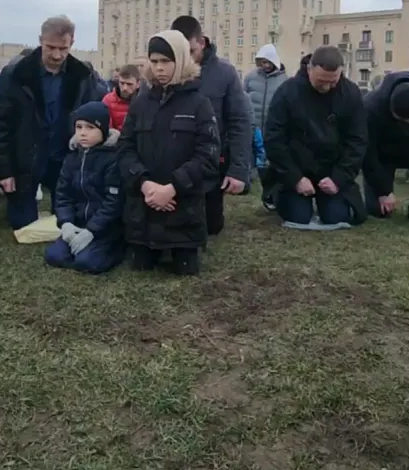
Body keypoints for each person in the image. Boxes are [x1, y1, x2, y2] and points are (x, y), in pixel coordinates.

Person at [117, 30, 220, 275]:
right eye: (154, 61)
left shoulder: (199, 103)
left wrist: (172, 188)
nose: (159, 68)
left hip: (183, 210)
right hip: (144, 209)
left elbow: (208, 154)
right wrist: (144, 185)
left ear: (181, 60)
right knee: (141, 267)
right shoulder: (140, 103)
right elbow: (125, 148)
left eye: (166, 61)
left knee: (185, 270)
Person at [0, 15, 105, 230]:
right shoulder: (15, 74)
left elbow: (94, 118)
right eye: (51, 47)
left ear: (72, 44)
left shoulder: (83, 75)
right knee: (22, 223)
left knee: (70, 220)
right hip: (26, 158)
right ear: (40, 40)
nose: (57, 54)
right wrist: (4, 171)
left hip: (65, 156)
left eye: (63, 48)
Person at [264, 45, 367, 226]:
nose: (327, 87)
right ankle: (279, 196)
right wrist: (295, 178)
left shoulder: (350, 93)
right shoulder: (287, 92)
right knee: (298, 217)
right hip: (296, 168)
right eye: (321, 81)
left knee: (337, 216)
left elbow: (357, 140)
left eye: (333, 82)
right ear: (309, 69)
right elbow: (274, 138)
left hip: (332, 169)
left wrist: (339, 178)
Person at [171, 15, 252, 235]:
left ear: (202, 43)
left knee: (210, 227)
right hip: (173, 163)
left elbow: (239, 122)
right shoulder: (168, 71)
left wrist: (238, 170)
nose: (185, 59)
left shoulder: (225, 73)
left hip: (210, 164)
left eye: (190, 52)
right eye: (180, 53)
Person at [45, 102, 124, 273]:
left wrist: (92, 230)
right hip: (77, 223)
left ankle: (117, 248)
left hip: (104, 229)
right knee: (54, 257)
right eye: (78, 127)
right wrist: (66, 223)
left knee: (86, 263)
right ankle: (77, 242)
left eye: (90, 127)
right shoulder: (71, 157)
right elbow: (63, 194)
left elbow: (113, 202)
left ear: (103, 130)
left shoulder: (113, 159)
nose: (82, 133)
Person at [363, 72, 409, 224]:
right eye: (403, 119)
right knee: (378, 211)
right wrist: (383, 192)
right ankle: (379, 200)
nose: (408, 122)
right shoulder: (370, 107)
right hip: (381, 154)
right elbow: (368, 154)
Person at [243, 43, 287, 210]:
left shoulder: (284, 80)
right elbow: (243, 97)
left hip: (273, 128)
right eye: (261, 62)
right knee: (257, 159)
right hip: (254, 126)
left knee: (269, 161)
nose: (265, 66)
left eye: (267, 62)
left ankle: (271, 192)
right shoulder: (251, 77)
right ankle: (252, 182)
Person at [102, 64, 140, 131]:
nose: (125, 88)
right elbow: (106, 129)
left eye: (129, 84)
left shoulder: (145, 100)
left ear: (138, 84)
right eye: (122, 83)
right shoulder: (108, 100)